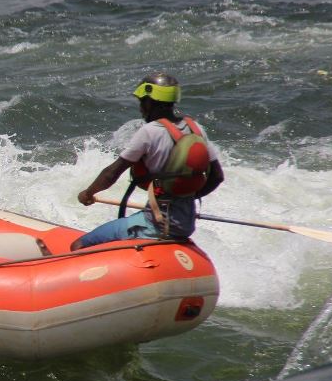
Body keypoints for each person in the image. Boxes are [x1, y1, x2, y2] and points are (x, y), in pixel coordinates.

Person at [73, 73, 225, 250]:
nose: (140, 109)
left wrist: (87, 194)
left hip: (155, 224)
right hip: (186, 224)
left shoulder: (150, 132)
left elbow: (112, 173)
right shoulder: (196, 129)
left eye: (142, 102)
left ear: (149, 103)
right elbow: (217, 177)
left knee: (79, 245)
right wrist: (186, 196)